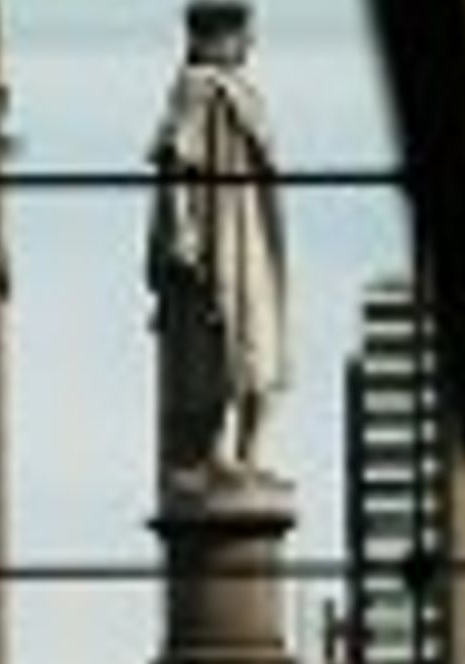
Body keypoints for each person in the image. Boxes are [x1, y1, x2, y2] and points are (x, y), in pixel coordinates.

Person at [147, 0, 289, 487]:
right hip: (219, 234)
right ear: (218, 35)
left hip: (252, 235)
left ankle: (249, 456)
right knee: (218, 347)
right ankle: (213, 454)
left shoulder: (247, 94)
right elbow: (175, 165)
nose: (251, 42)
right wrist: (183, 232)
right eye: (243, 30)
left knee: (262, 349)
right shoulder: (196, 87)